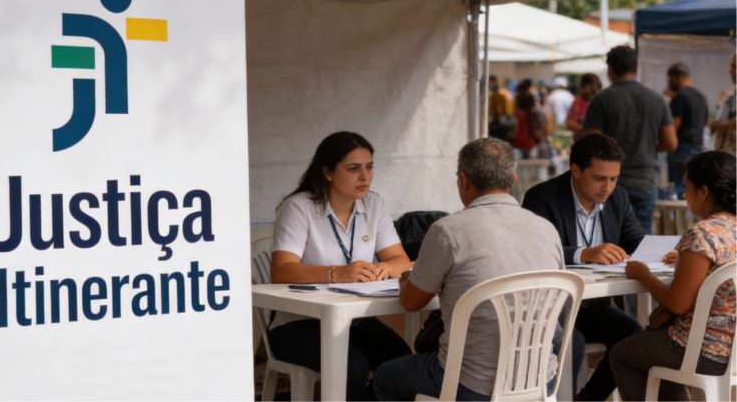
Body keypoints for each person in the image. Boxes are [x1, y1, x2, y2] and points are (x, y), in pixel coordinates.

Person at [373, 138, 564, 401]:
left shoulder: (448, 231)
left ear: (463, 180)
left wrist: (408, 278)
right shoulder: (547, 230)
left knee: (385, 377)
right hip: (543, 379)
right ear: (512, 182)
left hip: (472, 386)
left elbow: (411, 302)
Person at [268, 131, 412, 400]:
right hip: (299, 323)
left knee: (400, 363)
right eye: (354, 168)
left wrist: (386, 268)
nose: (365, 176)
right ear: (328, 172)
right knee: (353, 368)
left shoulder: (374, 204)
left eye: (369, 167)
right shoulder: (299, 207)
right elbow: (281, 270)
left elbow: (401, 260)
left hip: (353, 319)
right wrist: (338, 273)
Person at [522, 131, 645, 401]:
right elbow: (533, 251)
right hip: (552, 305)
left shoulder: (618, 198)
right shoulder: (542, 198)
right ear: (575, 170)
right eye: (599, 178)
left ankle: (587, 399)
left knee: (633, 336)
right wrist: (583, 253)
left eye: (614, 178)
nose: (608, 187)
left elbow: (637, 241)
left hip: (594, 304)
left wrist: (663, 253)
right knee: (571, 343)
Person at [610, 151, 736, 401]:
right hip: (734, 350)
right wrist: (688, 261)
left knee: (622, 354)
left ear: (704, 191)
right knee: (653, 352)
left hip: (704, 350)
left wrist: (642, 273)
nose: (683, 195)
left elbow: (677, 303)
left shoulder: (702, 234)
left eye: (687, 188)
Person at [582, 45, 678, 234]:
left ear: (610, 70)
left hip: (609, 182)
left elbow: (590, 142)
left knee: (609, 237)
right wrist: (648, 147)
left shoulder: (602, 99)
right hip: (647, 179)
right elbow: (671, 142)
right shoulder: (657, 99)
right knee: (642, 238)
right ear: (636, 68)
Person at [666, 62, 708, 199]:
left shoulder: (680, 96)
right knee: (693, 189)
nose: (669, 83)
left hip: (682, 148)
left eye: (670, 79)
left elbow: (674, 126)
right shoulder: (701, 96)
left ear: (677, 77)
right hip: (698, 148)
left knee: (680, 188)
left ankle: (681, 220)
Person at [710, 53, 736, 155]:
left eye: (735, 66)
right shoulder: (731, 95)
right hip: (727, 156)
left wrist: (717, 124)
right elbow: (714, 127)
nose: (730, 70)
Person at [512, 90, 549, 159]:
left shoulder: (519, 113)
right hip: (532, 144)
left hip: (518, 144)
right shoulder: (534, 112)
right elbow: (540, 129)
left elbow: (515, 130)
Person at [566, 74, 602, 140]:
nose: (593, 91)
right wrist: (581, 126)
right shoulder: (578, 102)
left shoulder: (600, 102)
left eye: (596, 88)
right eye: (590, 88)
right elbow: (569, 122)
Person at [488, 75, 515, 141]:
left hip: (499, 120)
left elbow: (501, 109)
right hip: (501, 119)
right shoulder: (503, 93)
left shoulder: (500, 94)